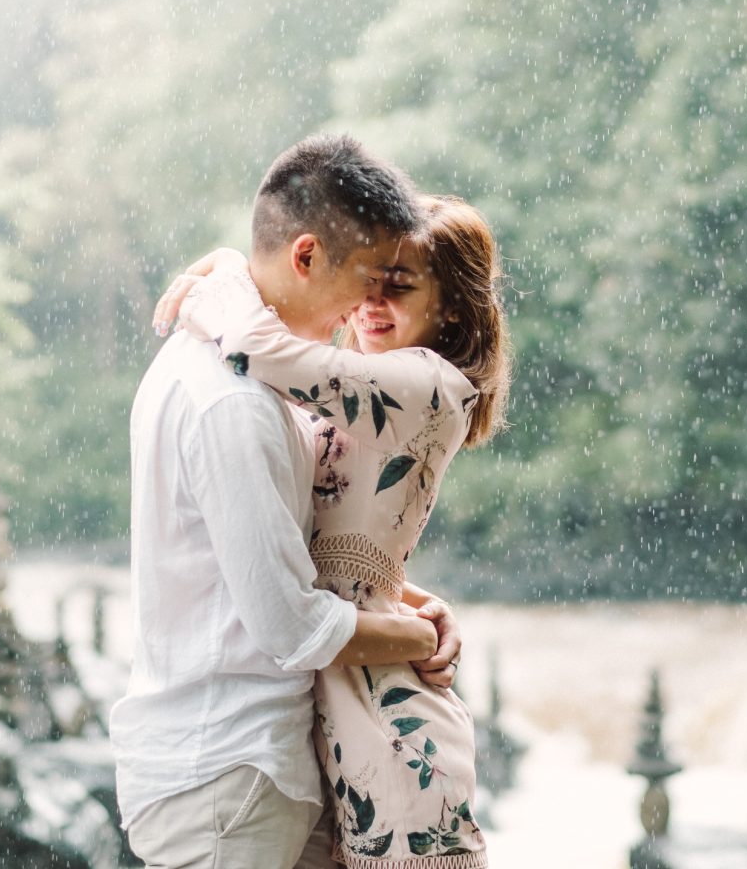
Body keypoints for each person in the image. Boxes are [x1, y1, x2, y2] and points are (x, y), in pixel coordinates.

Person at [110, 135, 461, 869]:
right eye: (366, 280)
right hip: (226, 776)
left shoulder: (244, 378)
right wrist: (418, 641)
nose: (366, 308)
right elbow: (292, 625)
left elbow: (294, 554)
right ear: (305, 257)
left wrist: (414, 604)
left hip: (246, 769)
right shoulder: (233, 401)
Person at [162, 193, 511, 868]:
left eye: (399, 288)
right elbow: (331, 548)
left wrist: (234, 270)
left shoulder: (431, 386)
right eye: (366, 282)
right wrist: (418, 605)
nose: (371, 303)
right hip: (329, 717)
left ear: (451, 306)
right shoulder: (356, 387)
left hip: (391, 733)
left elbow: (257, 347)